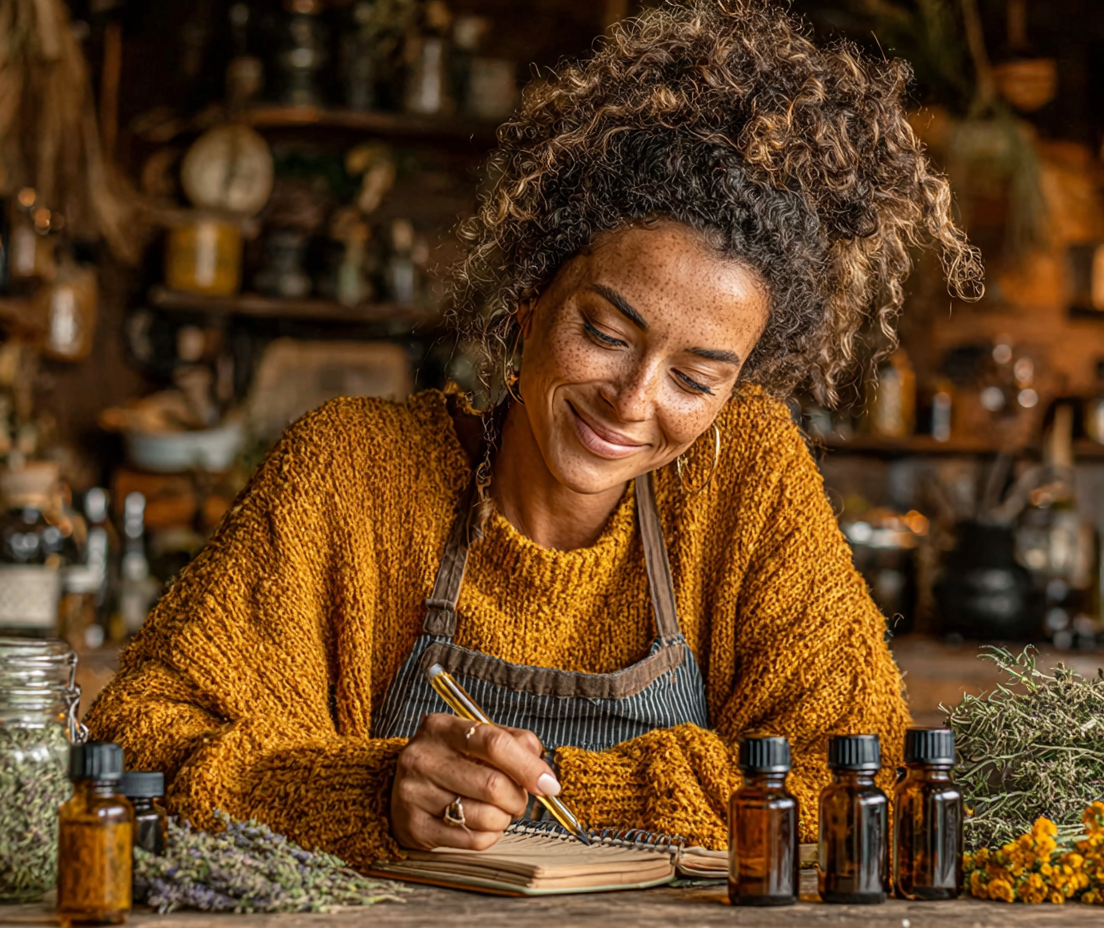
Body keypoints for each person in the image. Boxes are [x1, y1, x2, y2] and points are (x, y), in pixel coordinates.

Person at [86, 0, 980, 865]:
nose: (634, 401)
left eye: (696, 377)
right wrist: (368, 791)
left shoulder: (745, 473)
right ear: (527, 303)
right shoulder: (350, 472)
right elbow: (144, 746)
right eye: (604, 333)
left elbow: (853, 770)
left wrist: (547, 796)